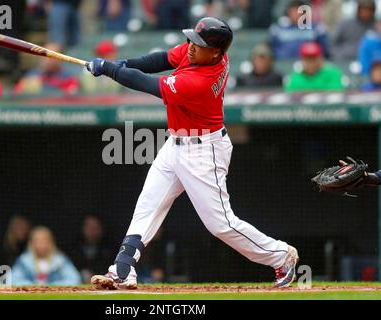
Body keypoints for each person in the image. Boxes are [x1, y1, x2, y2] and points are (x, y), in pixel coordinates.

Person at [86, 17, 299, 290]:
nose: (190, 46)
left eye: (198, 44)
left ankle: (281, 256)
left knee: (220, 224)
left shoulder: (199, 80)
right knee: (148, 205)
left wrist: (108, 69)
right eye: (192, 40)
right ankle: (122, 269)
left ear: (216, 52)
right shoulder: (199, 53)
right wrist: (123, 64)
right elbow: (159, 59)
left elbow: (149, 85)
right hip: (175, 144)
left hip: (203, 151)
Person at [11, 226, 81, 285]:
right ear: (31, 243)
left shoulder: (60, 261)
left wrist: (50, 287)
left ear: (51, 242)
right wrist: (34, 287)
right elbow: (13, 279)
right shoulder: (24, 260)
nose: (41, 244)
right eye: (37, 241)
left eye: (44, 240)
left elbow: (74, 279)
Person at [13, 43, 79, 96]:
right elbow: (16, 95)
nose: (48, 60)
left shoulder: (68, 78)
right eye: (44, 55)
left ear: (61, 59)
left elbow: (72, 99)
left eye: (52, 56)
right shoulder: (31, 76)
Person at [71, 215, 111, 283]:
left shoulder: (110, 248)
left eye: (95, 228)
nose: (92, 231)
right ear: (83, 229)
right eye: (89, 228)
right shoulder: (73, 248)